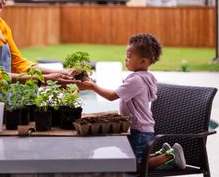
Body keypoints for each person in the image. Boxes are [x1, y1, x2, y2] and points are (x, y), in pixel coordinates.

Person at [77, 33, 186, 170]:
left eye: (129, 56)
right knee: (134, 158)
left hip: (139, 130)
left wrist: (92, 86)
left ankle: (171, 156)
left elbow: (111, 96)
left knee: (136, 166)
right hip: (140, 128)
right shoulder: (144, 77)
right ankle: (162, 153)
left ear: (143, 61)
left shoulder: (136, 80)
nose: (125, 59)